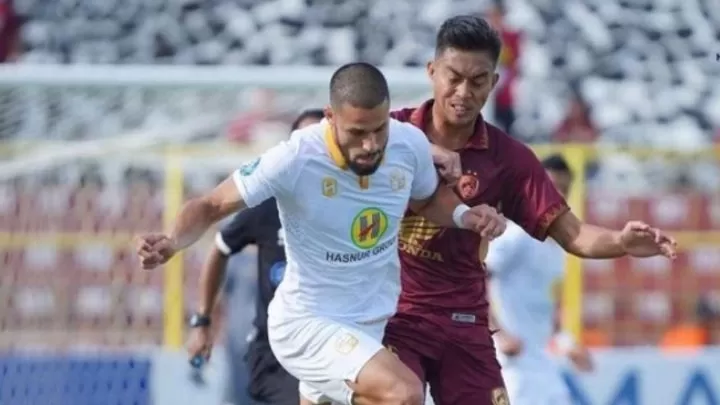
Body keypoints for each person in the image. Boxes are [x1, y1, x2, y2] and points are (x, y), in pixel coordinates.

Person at [136, 62, 506, 405]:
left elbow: (427, 199)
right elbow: (213, 204)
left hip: (370, 323)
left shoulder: (407, 144)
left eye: (379, 129)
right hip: (308, 324)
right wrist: (172, 241)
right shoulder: (295, 157)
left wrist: (465, 216)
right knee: (404, 393)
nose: (371, 145)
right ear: (331, 117)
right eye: (358, 133)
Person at [386, 15, 677, 405]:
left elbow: (573, 233)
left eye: (478, 81)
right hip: (391, 313)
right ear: (432, 71)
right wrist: (423, 150)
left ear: (494, 82)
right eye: (453, 77)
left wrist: (621, 242)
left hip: (464, 322)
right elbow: (332, 142)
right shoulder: (390, 134)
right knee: (397, 397)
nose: (464, 92)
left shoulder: (509, 159)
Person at [187, 109, 324, 405]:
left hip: (332, 345)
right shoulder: (268, 206)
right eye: (305, 143)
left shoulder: (353, 205)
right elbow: (220, 249)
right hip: (274, 353)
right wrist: (202, 321)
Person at [486, 154, 593, 405]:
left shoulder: (557, 248)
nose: (558, 195)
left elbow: (548, 309)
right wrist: (499, 334)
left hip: (541, 361)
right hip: (511, 362)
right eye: (552, 187)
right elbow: (474, 279)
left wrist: (567, 344)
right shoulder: (516, 237)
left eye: (563, 189)